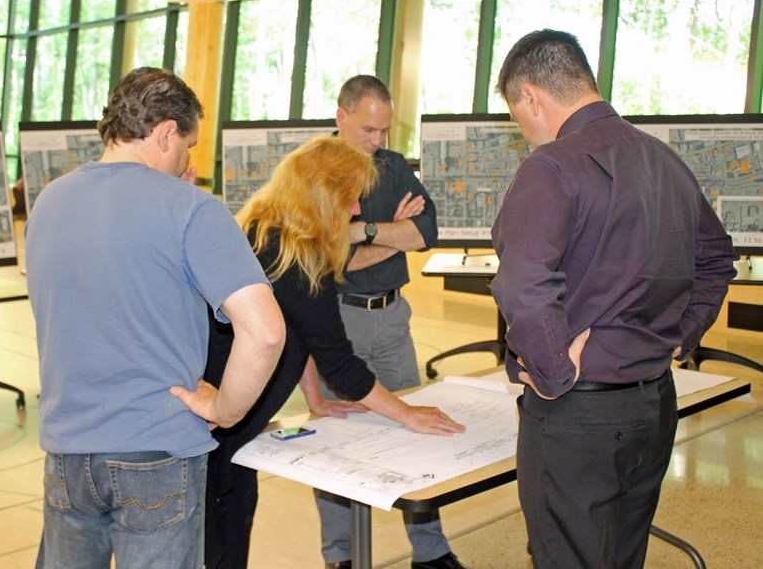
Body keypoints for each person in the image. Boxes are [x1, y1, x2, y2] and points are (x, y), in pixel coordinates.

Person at [490, 29, 738, 569]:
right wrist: (680, 336)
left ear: (530, 95)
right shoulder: (662, 160)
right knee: (623, 554)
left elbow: (522, 285)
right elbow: (717, 259)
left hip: (580, 414)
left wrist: (553, 372)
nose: (524, 131)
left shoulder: (552, 166)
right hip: (654, 404)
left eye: (516, 114)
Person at [25, 67, 286, 569]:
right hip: (157, 452)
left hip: (67, 450)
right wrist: (226, 410)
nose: (188, 160)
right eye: (188, 145)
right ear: (166, 132)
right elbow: (267, 331)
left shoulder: (49, 201)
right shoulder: (193, 209)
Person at [201, 135, 465, 569]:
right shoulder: (297, 255)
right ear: (324, 196)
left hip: (232, 419)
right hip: (221, 427)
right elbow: (339, 360)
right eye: (351, 200)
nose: (358, 210)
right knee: (219, 536)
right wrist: (406, 413)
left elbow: (298, 330)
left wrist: (314, 398)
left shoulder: (265, 229)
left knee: (234, 516)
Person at [309, 75, 466, 569]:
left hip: (393, 318)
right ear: (341, 117)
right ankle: (341, 558)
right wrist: (395, 236)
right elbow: (325, 262)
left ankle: (431, 552)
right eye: (368, 130)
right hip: (340, 324)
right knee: (338, 442)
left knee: (418, 426)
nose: (377, 141)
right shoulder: (313, 172)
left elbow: (428, 232)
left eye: (384, 131)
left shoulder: (393, 168)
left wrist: (366, 230)